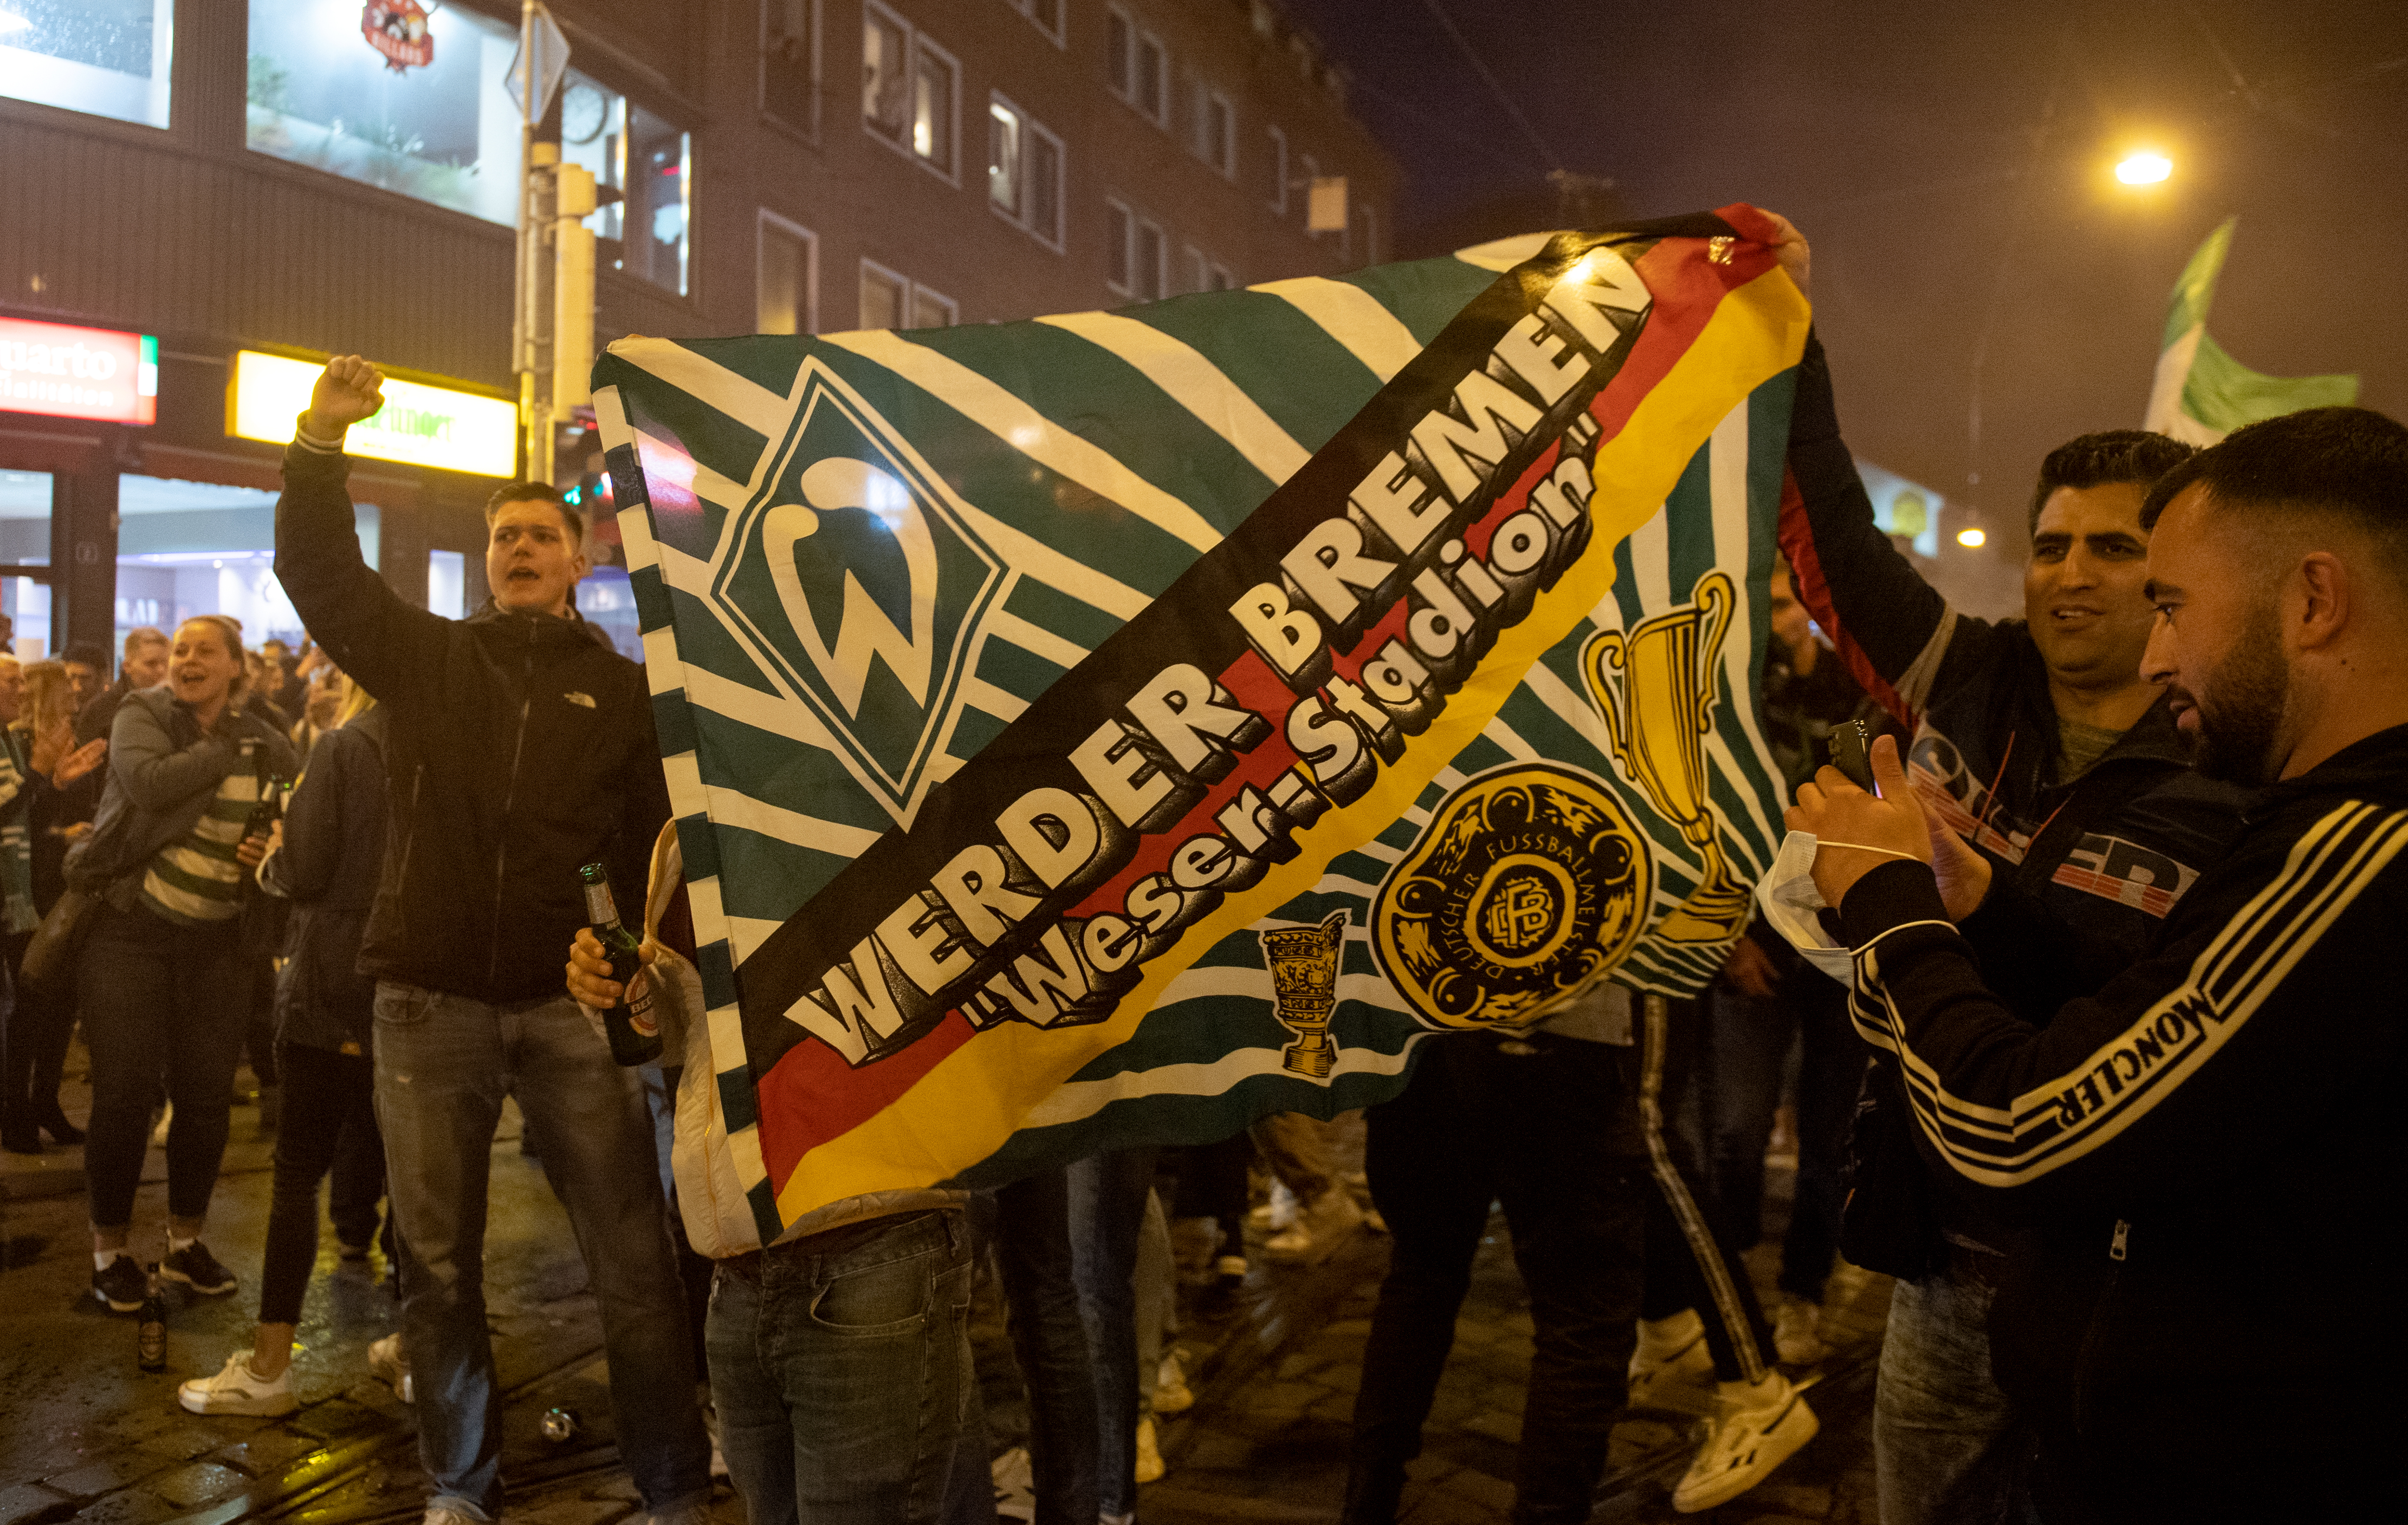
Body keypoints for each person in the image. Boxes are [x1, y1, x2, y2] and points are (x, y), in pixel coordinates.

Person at [1785, 404, 2408, 1521]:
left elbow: (2023, 1130)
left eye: (2166, 599)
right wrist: (1978, 907)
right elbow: (2142, 1018)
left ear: (2312, 601)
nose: (2154, 648)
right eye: (2051, 547)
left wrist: (1885, 907)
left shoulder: (2354, 844)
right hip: (2060, 1346)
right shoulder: (2309, 815)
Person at [1763, 215, 2242, 1524]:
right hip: (1939, 1257)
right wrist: (1783, 327)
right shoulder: (1958, 675)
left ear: (2175, 576)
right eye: (2048, 545)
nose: (2066, 576)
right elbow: (1824, 524)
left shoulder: (2238, 759)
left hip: (2120, 1278)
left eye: (2112, 548)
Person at [276, 355, 710, 1525]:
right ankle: (459, 1487)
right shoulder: (430, 660)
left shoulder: (622, 698)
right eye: (504, 536)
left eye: (540, 534)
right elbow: (319, 574)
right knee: (438, 1268)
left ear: (577, 560)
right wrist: (322, 441)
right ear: (489, 560)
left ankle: (672, 1483)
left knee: (632, 1265)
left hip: (569, 1013)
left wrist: (632, 979)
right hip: (426, 1002)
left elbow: (645, 862)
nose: (520, 548)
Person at [565, 826, 992, 1525]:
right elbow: (697, 1034)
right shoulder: (684, 827)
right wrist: (609, 990)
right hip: (740, 1267)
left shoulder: (859, 774)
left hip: (869, 1248)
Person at [1342, 986, 1653, 1524]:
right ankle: (1545, 1511)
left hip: (1416, 1026)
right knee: (1581, 1314)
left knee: (1420, 1274)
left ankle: (1366, 1507)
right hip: (1560, 1029)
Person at [177, 673, 397, 1416]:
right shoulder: (451, 747)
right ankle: (421, 1348)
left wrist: (273, 854)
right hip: (417, 993)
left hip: (334, 987)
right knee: (425, 1184)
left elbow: (303, 870)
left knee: (297, 1170)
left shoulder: (343, 749)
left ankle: (270, 1364)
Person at [72, 615, 297, 1311]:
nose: (188, 659)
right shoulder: (145, 713)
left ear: (236, 668)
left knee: (204, 1100)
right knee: (123, 1095)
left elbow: (297, 816)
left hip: (220, 943)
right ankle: (110, 1253)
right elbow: (145, 783)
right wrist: (226, 747)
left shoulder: (269, 743)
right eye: (180, 649)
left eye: (206, 650)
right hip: (130, 932)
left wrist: (276, 851)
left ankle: (183, 1243)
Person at [1707, 562, 1877, 1363]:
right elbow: (1712, 816)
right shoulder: (1734, 692)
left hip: (1841, 945)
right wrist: (1731, 936)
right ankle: (1729, 1282)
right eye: (1767, 604)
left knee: (1831, 1136)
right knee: (1736, 1128)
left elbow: (1863, 801)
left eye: (1788, 603)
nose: (1779, 619)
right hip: (1759, 943)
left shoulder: (1852, 689)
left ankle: (1803, 1290)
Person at [2, 660, 107, 1152]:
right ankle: (17, 1111)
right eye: (65, 684)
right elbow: (22, 817)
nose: (76, 690)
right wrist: (54, 802)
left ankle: (45, 1100)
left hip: (61, 885)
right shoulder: (19, 743)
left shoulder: (64, 736)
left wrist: (62, 783)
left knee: (60, 1004)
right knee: (29, 1006)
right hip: (31, 888)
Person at [77, 626, 170, 746]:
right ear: (127, 666)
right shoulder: (101, 711)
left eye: (166, 663)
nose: (161, 670)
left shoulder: (177, 704)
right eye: (151, 664)